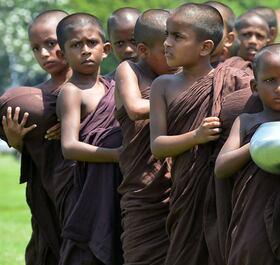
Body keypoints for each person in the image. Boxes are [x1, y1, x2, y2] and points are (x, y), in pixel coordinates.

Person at [150, 3, 252, 265]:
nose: (167, 43)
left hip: (223, 190)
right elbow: (158, 146)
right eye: (167, 35)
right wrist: (196, 136)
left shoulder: (231, 82)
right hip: (185, 191)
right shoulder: (163, 85)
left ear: (206, 47)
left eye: (177, 36)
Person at [215, 43, 280, 265]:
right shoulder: (247, 122)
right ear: (255, 86)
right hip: (253, 215)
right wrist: (261, 143)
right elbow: (221, 167)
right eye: (270, 81)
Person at [0, 9, 72, 265]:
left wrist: (75, 123)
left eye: (51, 44)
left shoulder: (102, 89)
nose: (44, 54)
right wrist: (18, 141)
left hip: (88, 190)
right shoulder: (32, 99)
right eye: (36, 48)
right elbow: (40, 155)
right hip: (45, 194)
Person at [56, 13, 123, 265]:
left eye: (92, 43)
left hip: (117, 181)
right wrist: (117, 155)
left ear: (105, 50)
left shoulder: (113, 86)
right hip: (89, 184)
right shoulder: (71, 93)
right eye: (76, 45)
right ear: (63, 55)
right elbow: (70, 147)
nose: (86, 51)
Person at [115, 9, 176, 265]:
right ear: (142, 49)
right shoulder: (128, 70)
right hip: (144, 188)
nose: (173, 54)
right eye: (166, 50)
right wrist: (181, 99)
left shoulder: (178, 76)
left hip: (178, 187)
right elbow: (135, 108)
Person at [106, 7, 141, 79]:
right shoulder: (106, 86)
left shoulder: (163, 80)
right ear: (111, 47)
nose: (128, 49)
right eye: (120, 43)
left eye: (133, 41)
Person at [205, 1, 236, 65]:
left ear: (229, 39)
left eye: (213, 27)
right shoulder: (179, 68)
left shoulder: (232, 73)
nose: (205, 31)